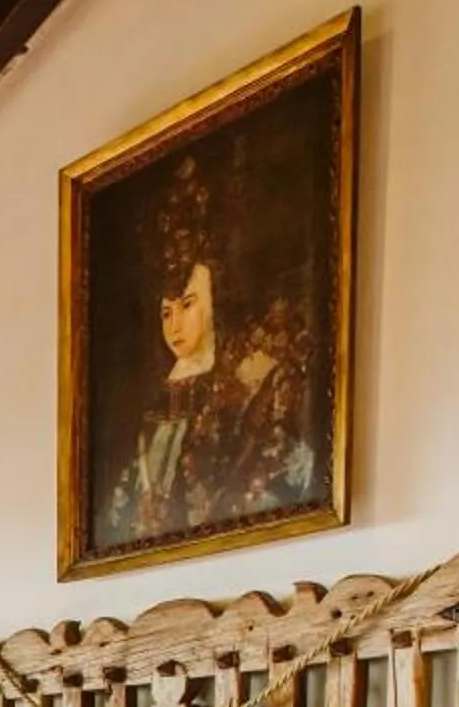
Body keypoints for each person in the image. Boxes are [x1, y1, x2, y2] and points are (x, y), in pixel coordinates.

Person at [100, 172, 317, 548]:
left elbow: (284, 470)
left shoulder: (256, 378)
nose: (175, 325)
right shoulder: (158, 404)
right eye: (166, 312)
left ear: (215, 301)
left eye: (188, 305)